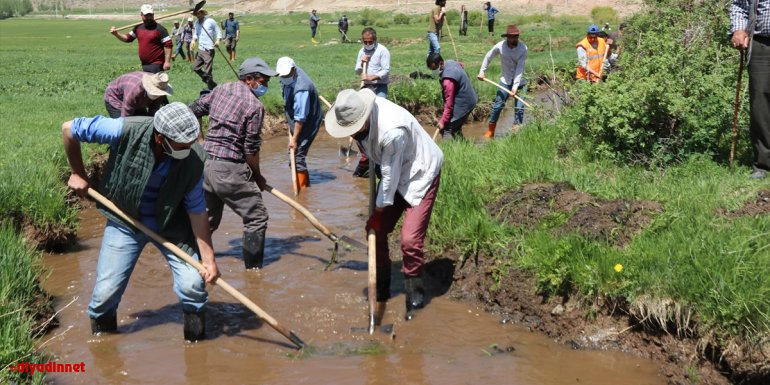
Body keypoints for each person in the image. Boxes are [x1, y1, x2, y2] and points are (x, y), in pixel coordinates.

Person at [61, 102, 219, 341]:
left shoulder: (194, 158)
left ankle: (196, 346)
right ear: (159, 137)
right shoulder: (125, 130)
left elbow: (197, 210)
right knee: (104, 296)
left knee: (193, 287)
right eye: (181, 145)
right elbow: (69, 129)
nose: (187, 149)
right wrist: (78, 172)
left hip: (170, 225)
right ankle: (105, 347)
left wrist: (209, 260)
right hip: (126, 220)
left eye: (190, 143)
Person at [324, 88, 444, 321]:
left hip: (420, 172)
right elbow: (381, 166)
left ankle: (414, 298)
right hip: (395, 167)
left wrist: (378, 212)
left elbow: (389, 180)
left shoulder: (392, 131)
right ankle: (382, 287)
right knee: (374, 231)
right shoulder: (359, 115)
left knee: (409, 240)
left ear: (365, 118)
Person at [189, 57, 278, 269]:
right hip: (229, 169)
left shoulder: (220, 89)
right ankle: (254, 274)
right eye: (264, 81)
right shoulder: (254, 106)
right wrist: (257, 177)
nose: (266, 86)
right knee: (256, 217)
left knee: (207, 221)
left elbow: (192, 109)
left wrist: (201, 142)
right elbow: (250, 150)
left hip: (206, 165)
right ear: (249, 80)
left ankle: (191, 263)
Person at [731, 0, 770, 179]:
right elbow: (740, 4)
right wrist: (739, 29)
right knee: (760, 106)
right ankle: (763, 165)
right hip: (761, 45)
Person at [276, 57, 323, 191]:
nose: (284, 77)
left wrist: (294, 140)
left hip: (308, 122)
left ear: (293, 69)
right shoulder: (289, 76)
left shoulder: (302, 88)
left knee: (297, 157)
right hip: (298, 119)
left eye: (287, 74)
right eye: (282, 75)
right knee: (294, 157)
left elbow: (301, 118)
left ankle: (303, 193)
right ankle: (305, 184)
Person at [353, 27, 391, 177]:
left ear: (375, 40)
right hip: (365, 87)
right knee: (363, 117)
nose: (368, 44)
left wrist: (371, 77)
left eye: (370, 42)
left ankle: (380, 143)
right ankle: (367, 146)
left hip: (379, 86)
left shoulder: (383, 51)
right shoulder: (361, 51)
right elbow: (357, 69)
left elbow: (385, 71)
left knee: (379, 115)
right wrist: (361, 64)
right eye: (365, 42)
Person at [478, 25, 528, 138]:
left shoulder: (523, 48)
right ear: (507, 37)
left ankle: (516, 133)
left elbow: (520, 69)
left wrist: (515, 87)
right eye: (512, 37)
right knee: (497, 106)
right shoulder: (500, 46)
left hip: (520, 83)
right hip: (505, 81)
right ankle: (491, 131)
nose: (514, 39)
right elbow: (488, 56)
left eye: (516, 37)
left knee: (519, 109)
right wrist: (482, 71)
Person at [426, 53, 478, 139]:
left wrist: (443, 121)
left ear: (441, 63)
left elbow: (449, 104)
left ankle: (448, 151)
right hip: (471, 97)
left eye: (435, 68)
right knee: (456, 128)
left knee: (447, 128)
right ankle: (463, 147)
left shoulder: (447, 80)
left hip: (465, 102)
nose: (434, 71)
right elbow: (461, 65)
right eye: (432, 69)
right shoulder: (451, 62)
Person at [110, 4, 172, 73]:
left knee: (153, 83)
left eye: (150, 15)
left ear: (153, 15)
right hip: (144, 64)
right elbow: (127, 38)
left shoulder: (160, 29)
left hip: (157, 64)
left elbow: (168, 45)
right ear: (141, 15)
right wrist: (116, 34)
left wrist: (167, 62)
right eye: (146, 15)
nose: (149, 18)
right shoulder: (138, 28)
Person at [103, 71, 173, 118]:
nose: (157, 96)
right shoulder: (134, 90)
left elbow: (153, 111)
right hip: (116, 98)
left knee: (144, 123)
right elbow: (125, 117)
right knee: (123, 130)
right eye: (155, 93)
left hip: (137, 99)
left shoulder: (160, 85)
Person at [191, 9, 222, 90]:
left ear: (203, 13)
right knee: (195, 67)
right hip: (200, 49)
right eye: (196, 14)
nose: (197, 15)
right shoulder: (196, 23)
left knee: (208, 71)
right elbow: (196, 34)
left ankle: (211, 88)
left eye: (199, 13)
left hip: (209, 49)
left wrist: (218, 40)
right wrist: (193, 40)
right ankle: (211, 83)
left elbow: (218, 31)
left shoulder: (210, 21)